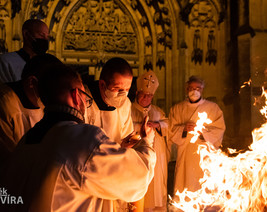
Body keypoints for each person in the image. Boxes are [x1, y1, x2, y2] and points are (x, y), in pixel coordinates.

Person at [0, 64, 156, 212]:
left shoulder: (27, 139)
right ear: (76, 95)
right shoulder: (82, 139)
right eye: (84, 96)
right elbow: (137, 179)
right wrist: (146, 142)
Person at [0, 53, 62, 166]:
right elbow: (10, 161)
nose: (54, 97)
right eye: (50, 89)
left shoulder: (45, 104)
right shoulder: (5, 103)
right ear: (31, 83)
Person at [168, 75, 226, 193]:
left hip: (205, 155)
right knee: (186, 185)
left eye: (198, 88)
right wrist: (184, 129)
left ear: (202, 90)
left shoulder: (213, 108)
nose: (194, 91)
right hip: (185, 155)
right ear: (186, 89)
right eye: (191, 88)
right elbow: (170, 130)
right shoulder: (177, 109)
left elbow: (220, 129)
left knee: (204, 186)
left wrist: (202, 131)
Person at [131, 70, 169, 212]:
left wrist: (158, 125)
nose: (147, 98)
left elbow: (168, 126)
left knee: (156, 189)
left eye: (150, 96)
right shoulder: (127, 110)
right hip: (136, 157)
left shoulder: (158, 112)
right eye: (144, 95)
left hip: (157, 160)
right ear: (137, 94)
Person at [86, 57, 134, 144]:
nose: (122, 95)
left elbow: (126, 137)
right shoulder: (84, 100)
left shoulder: (126, 104)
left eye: (127, 89)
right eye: (117, 89)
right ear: (102, 85)